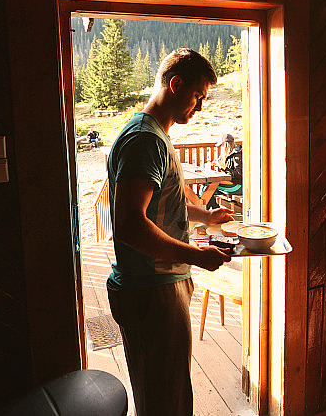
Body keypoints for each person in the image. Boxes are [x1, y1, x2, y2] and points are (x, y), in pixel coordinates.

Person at [106, 47, 234, 416]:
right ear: (175, 84)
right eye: (197, 96)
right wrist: (198, 256)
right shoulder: (145, 141)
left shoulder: (153, 133)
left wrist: (206, 217)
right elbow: (130, 225)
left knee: (169, 390)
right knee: (165, 400)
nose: (199, 106)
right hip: (152, 290)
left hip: (160, 284)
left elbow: (161, 206)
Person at [202, 133, 243, 209]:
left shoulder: (237, 155)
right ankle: (215, 210)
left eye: (221, 146)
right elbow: (230, 172)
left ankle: (214, 210)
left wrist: (222, 166)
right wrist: (221, 166)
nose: (220, 148)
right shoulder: (232, 154)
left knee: (208, 187)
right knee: (207, 187)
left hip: (238, 186)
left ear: (225, 145)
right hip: (233, 183)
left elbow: (238, 174)